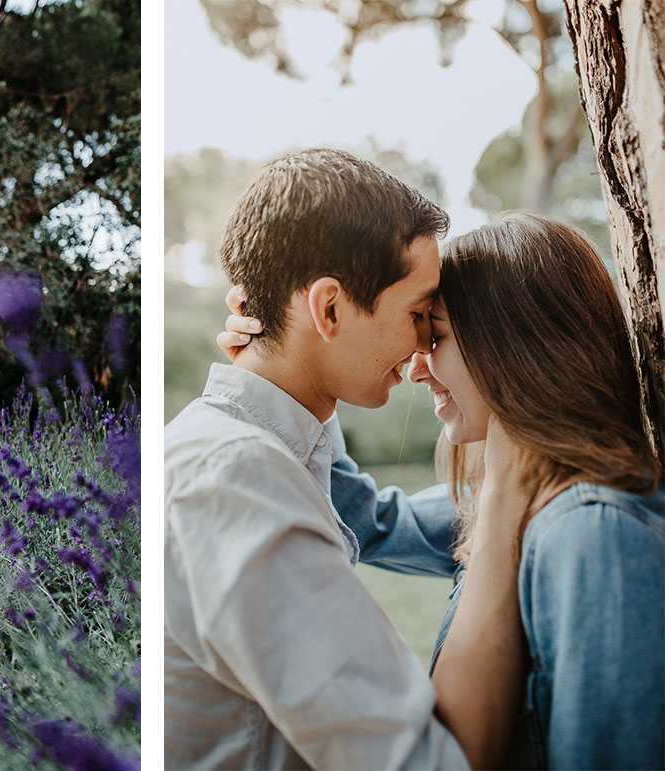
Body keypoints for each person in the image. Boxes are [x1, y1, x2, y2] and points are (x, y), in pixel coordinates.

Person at [220, 213, 665, 769]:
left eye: (439, 335)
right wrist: (284, 370)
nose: (416, 367)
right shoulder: (500, 502)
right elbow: (369, 519)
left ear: (515, 347)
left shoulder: (595, 536)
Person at [165, 148, 526, 770]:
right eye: (418, 315)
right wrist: (504, 505)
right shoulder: (237, 479)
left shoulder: (266, 449)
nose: (421, 354)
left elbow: (382, 520)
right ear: (328, 308)